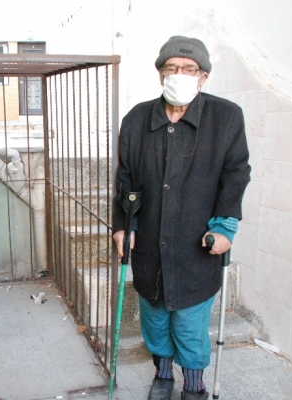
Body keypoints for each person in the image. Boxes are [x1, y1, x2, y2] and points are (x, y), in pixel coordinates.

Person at [112, 36, 251, 400]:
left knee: (189, 325)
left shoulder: (225, 117)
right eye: (172, 68)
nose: (180, 74)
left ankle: (193, 384)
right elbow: (126, 179)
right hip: (150, 243)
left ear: (203, 76)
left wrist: (225, 225)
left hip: (195, 245)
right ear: (160, 73)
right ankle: (162, 376)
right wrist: (124, 225)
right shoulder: (137, 119)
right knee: (155, 319)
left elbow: (235, 174)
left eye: (189, 69)